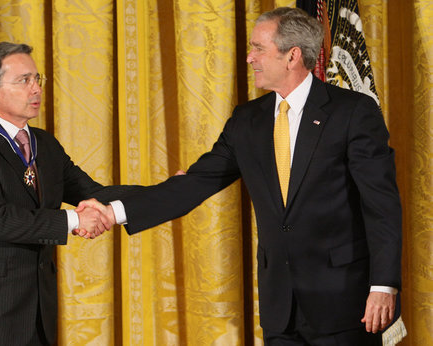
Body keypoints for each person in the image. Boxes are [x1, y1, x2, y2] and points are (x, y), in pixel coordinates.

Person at [78, 7, 402, 345]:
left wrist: (383, 285)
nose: (249, 58)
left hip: (345, 304)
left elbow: (382, 206)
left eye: (259, 48)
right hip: (280, 309)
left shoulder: (352, 112)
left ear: (292, 56)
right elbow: (193, 184)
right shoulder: (248, 120)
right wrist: (112, 211)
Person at [0, 42, 133, 345]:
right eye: (24, 80)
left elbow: (95, 193)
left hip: (38, 316)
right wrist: (73, 220)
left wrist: (166, 191)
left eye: (37, 79)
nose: (36, 89)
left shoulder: (45, 144)